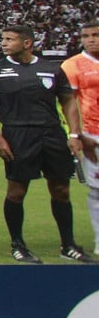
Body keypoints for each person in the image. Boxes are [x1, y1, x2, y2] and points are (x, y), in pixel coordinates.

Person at [0, 25, 92, 262]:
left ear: (27, 43)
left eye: (10, 39)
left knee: (61, 189)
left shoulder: (51, 69)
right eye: (4, 39)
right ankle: (18, 245)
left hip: (52, 134)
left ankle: (68, 245)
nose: (4, 43)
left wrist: (74, 134)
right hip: (17, 135)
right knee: (17, 191)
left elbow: (68, 101)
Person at [61, 21, 99, 258]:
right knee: (97, 191)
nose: (91, 39)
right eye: (86, 35)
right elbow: (68, 103)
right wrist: (76, 134)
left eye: (95, 34)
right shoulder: (72, 65)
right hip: (92, 135)